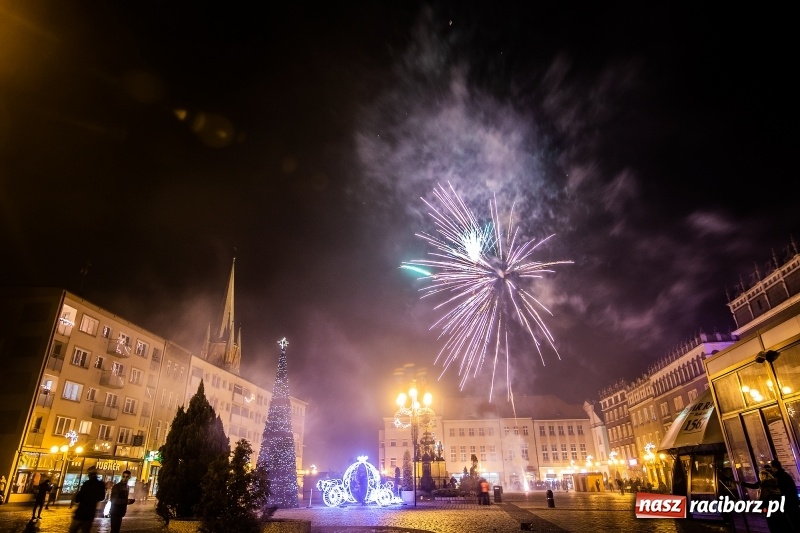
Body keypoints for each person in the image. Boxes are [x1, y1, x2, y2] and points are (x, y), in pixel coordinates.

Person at [68, 466, 106, 533]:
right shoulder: (100, 484)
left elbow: (78, 498)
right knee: (85, 530)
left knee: (73, 530)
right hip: (90, 512)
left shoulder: (86, 484)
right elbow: (101, 497)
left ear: (89, 474)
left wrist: (76, 496)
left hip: (81, 512)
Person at [771, 460, 800, 531]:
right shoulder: (785, 475)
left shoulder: (778, 477)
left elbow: (782, 490)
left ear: (774, 467)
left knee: (791, 521)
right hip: (792, 501)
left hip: (787, 503)